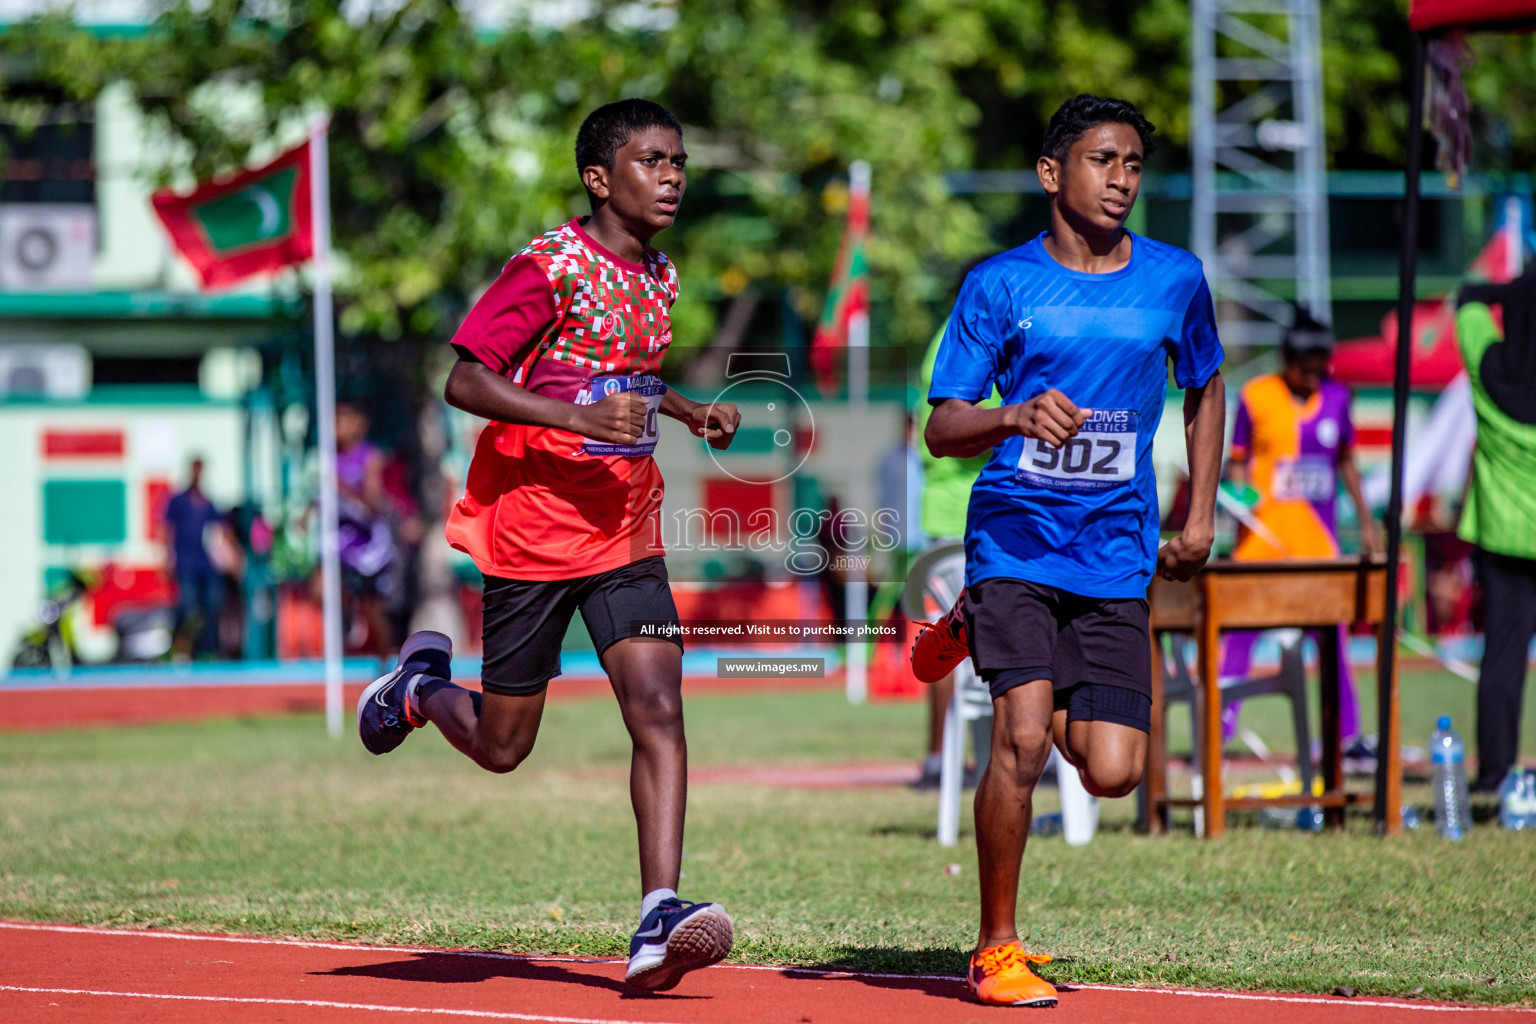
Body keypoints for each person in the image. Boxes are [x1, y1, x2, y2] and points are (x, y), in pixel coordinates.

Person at [355, 99, 742, 991]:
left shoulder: (661, 276)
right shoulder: (549, 268)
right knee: (503, 746)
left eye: (679, 160)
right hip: (533, 530)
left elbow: (630, 376)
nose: (674, 175)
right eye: (653, 160)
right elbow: (462, 377)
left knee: (658, 706)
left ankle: (658, 915)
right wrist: (572, 416)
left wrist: (689, 411)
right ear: (601, 179)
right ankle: (417, 689)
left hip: (624, 525)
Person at [915, 94, 1225, 1007]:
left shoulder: (1175, 279)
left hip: (1117, 550)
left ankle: (981, 633)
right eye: (1102, 160)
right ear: (1053, 173)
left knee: (1116, 771)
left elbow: (1209, 387)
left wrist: (1198, 515)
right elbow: (941, 427)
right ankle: (996, 947)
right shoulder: (1000, 284)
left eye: (1133, 163)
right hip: (1014, 540)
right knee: (1019, 737)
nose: (1122, 179)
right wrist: (1012, 412)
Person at [1221, 312, 1381, 752]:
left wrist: (1367, 523)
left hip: (1317, 552)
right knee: (1237, 641)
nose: (1312, 377)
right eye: (1303, 367)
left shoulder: (1338, 398)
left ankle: (1346, 738)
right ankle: (1218, 731)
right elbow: (1236, 463)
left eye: (1319, 368)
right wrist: (1237, 494)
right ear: (1286, 359)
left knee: (1333, 647)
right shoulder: (1255, 397)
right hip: (1260, 551)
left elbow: (1347, 461)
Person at [1456, 268, 1536, 793]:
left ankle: (1493, 774)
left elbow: (1466, 298)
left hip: (1505, 541)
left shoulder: (1489, 366)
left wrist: (1507, 291)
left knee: (1503, 660)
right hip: (1509, 544)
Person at [164, 456, 225, 657]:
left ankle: (207, 650)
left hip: (206, 565)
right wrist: (167, 557)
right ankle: (181, 649)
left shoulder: (208, 502)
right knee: (188, 608)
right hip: (185, 562)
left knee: (211, 606)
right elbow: (168, 530)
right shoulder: (178, 501)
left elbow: (220, 533)